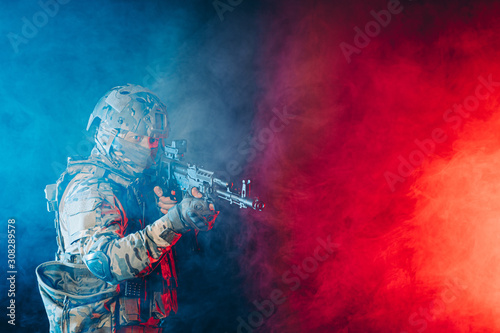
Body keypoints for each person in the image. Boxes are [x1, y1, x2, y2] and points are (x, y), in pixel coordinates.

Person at [37, 84, 218, 333]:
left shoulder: (132, 184)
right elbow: (106, 262)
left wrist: (186, 218)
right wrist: (174, 222)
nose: (148, 147)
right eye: (136, 138)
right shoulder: (89, 188)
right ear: (110, 135)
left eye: (154, 139)